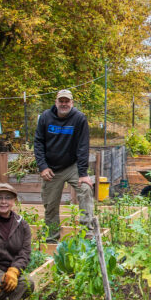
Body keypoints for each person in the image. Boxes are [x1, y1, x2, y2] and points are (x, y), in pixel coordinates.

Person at [34, 89, 94, 243]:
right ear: (56, 102)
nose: (64, 104)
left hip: (72, 166)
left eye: (67, 101)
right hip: (51, 168)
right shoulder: (46, 117)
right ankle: (52, 239)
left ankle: (87, 233)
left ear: (72, 103)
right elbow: (38, 142)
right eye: (61, 101)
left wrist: (83, 173)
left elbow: (83, 146)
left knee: (85, 189)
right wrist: (42, 167)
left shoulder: (79, 118)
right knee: (50, 204)